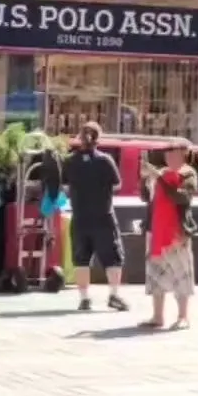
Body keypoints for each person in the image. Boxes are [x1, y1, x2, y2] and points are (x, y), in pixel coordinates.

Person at [61, 122, 128, 313]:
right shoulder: (105, 161)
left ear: (80, 138)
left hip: (80, 217)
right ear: (98, 138)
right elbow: (117, 185)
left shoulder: (70, 161)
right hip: (103, 216)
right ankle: (114, 296)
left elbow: (64, 187)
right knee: (113, 258)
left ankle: (84, 299)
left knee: (81, 259)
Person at [140, 140, 197, 330]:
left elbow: (180, 197)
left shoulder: (189, 174)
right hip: (156, 230)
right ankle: (157, 316)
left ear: (183, 154)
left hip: (177, 231)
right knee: (156, 274)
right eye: (167, 153)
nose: (169, 156)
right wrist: (144, 179)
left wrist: (160, 178)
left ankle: (183, 316)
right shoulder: (161, 173)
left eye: (173, 153)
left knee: (181, 274)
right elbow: (145, 197)